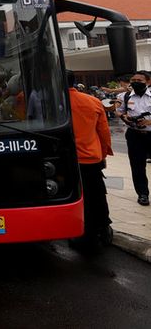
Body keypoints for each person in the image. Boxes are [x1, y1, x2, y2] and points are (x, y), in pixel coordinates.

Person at [66, 70, 114, 248]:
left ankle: (83, 231)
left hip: (67, 160)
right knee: (98, 194)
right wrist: (102, 154)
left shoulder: (54, 104)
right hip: (91, 159)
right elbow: (103, 132)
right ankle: (103, 228)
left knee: (76, 197)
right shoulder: (92, 101)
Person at [116, 70, 151, 206]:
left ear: (148, 82)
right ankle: (142, 194)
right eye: (133, 81)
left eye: (139, 81)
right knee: (137, 166)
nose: (135, 83)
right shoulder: (125, 96)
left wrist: (149, 122)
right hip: (134, 135)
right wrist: (124, 117)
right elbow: (118, 111)